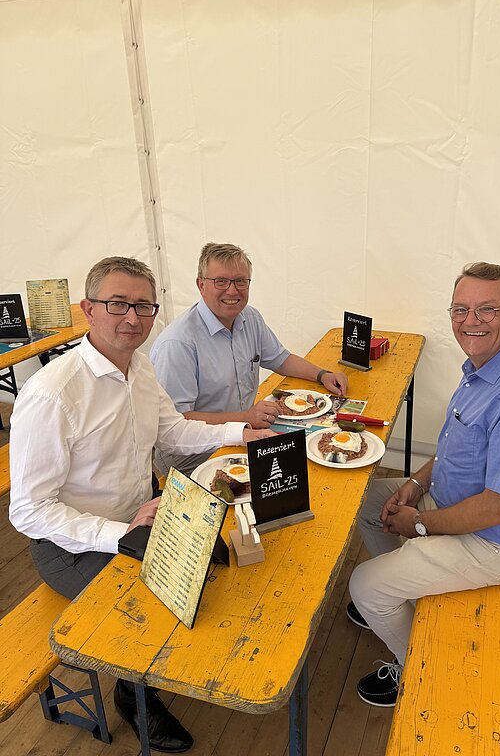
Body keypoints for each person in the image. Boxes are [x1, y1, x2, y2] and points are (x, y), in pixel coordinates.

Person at [9, 256, 277, 754]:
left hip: (142, 514)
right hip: (71, 546)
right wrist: (122, 534)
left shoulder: (140, 367)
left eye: (143, 306)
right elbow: (28, 511)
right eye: (117, 304)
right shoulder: (53, 394)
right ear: (89, 309)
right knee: (159, 600)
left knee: (219, 561)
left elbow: (172, 430)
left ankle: (163, 669)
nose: (132, 317)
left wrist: (241, 433)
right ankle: (134, 697)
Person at [348, 262, 500, 707]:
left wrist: (419, 525)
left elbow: (498, 509)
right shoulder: (487, 366)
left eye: (487, 309)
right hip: (455, 505)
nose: (471, 321)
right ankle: (402, 590)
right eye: (461, 309)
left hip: (496, 542)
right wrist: (414, 484)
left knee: (364, 586)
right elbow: (457, 449)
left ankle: (417, 668)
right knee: (364, 502)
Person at [150, 242, 349, 476]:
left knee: (316, 459)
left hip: (244, 433)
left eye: (240, 281)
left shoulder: (249, 317)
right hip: (193, 455)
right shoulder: (178, 343)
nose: (232, 291)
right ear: (201, 285)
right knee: (302, 472)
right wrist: (244, 418)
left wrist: (322, 374)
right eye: (221, 281)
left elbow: (280, 359)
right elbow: (179, 422)